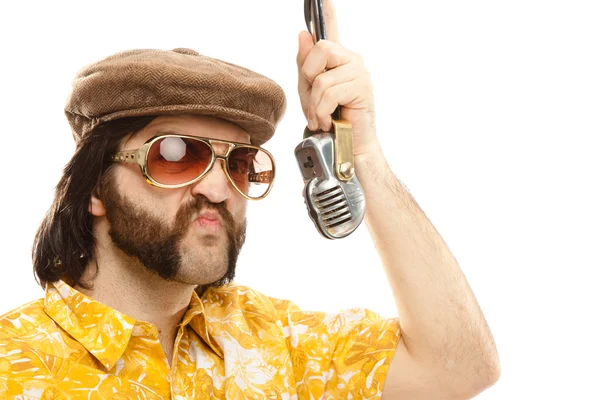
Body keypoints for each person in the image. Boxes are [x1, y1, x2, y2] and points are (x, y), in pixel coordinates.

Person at [0, 2, 500, 398]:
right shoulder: (12, 365)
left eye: (239, 164)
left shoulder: (277, 344)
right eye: (177, 154)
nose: (218, 190)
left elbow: (458, 369)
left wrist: (360, 151)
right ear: (92, 189)